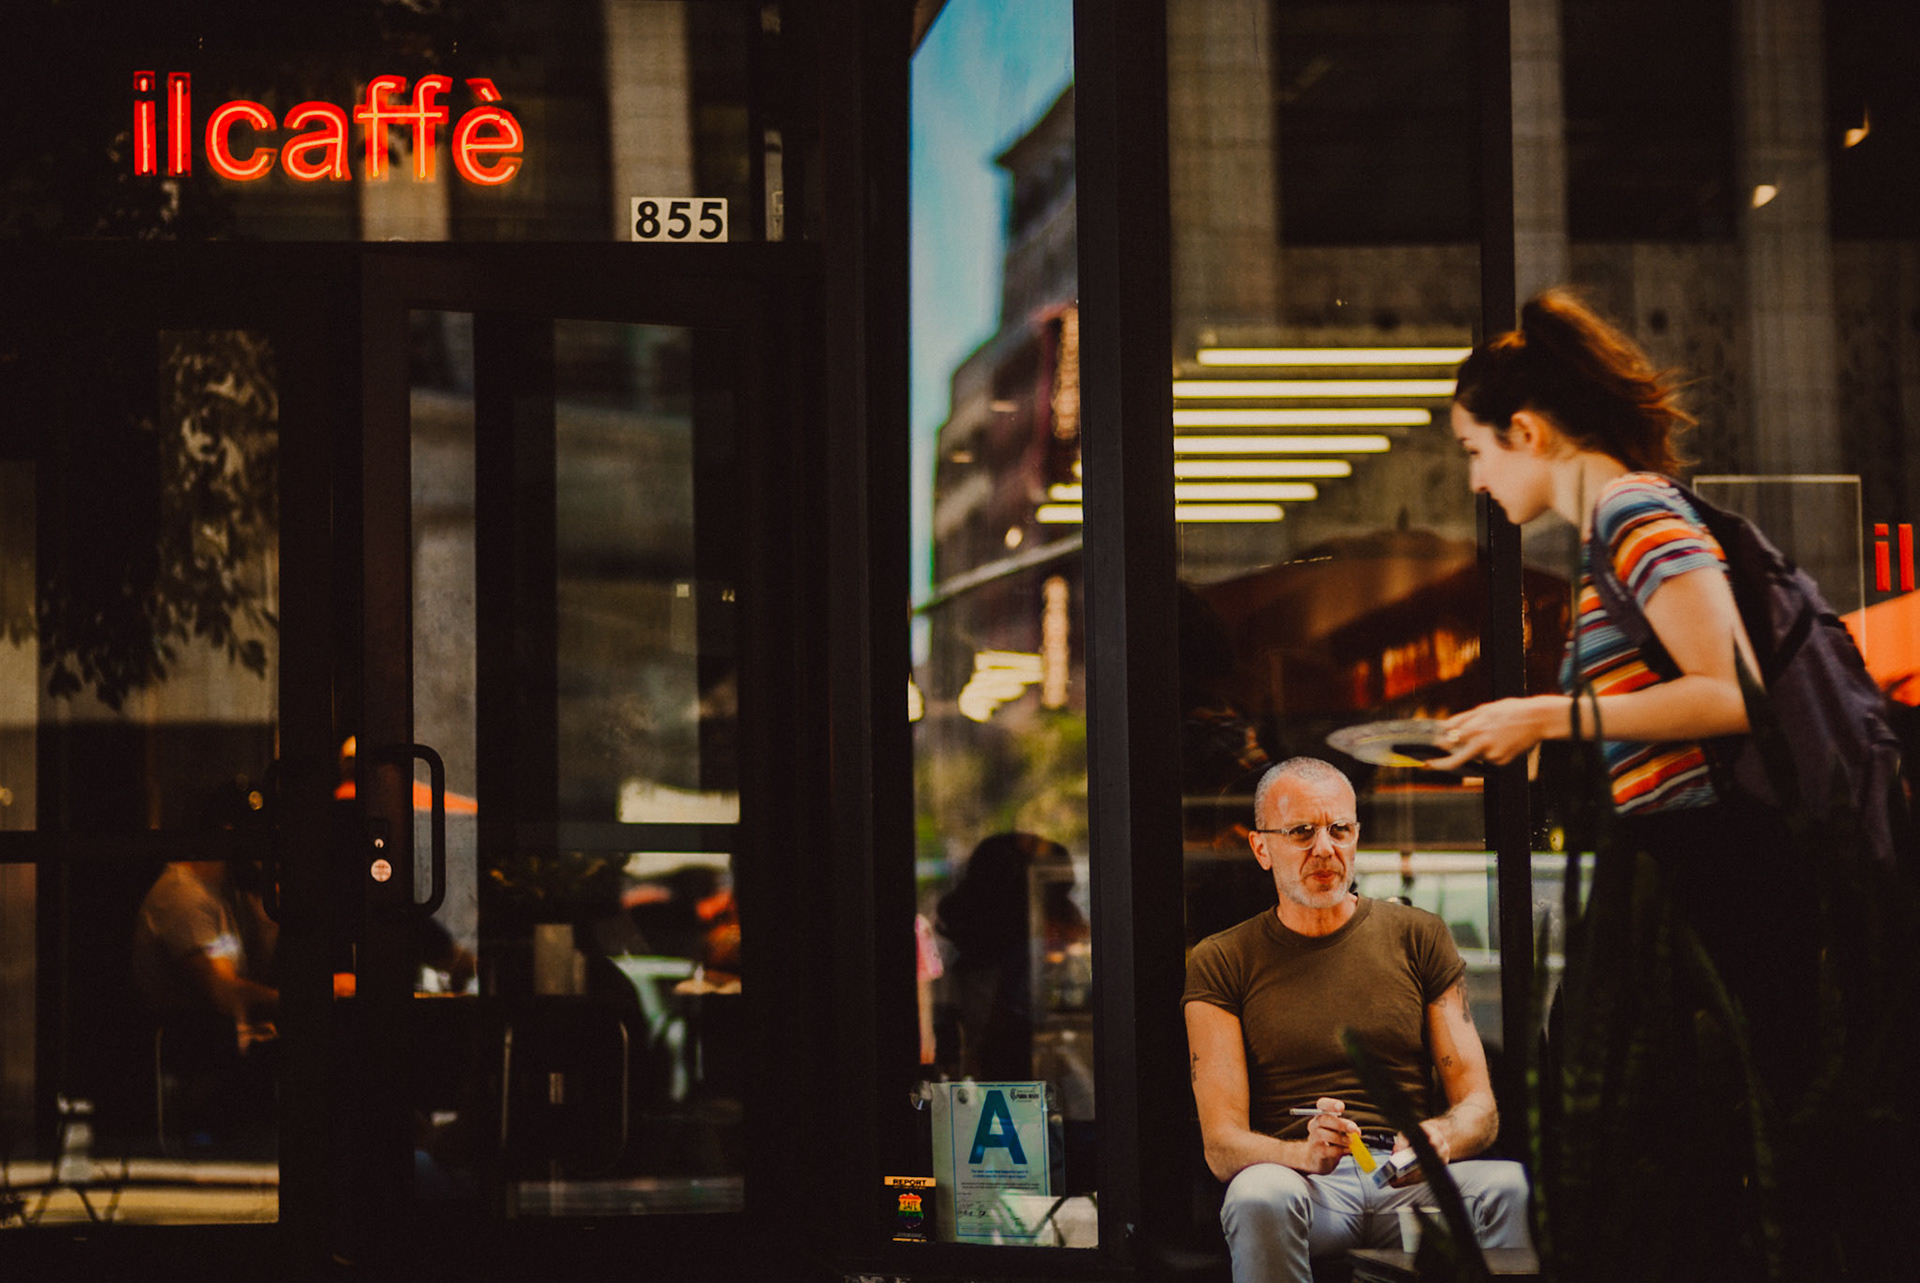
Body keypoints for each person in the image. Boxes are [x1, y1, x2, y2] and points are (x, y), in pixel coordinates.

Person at [1430, 287, 1811, 1096]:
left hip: (1707, 873)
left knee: (1621, 1117)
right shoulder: (1617, 527)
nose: (1475, 480)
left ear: (1526, 432)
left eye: (1474, 450)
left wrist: (1546, 715)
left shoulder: (1634, 513)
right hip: (1676, 869)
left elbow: (1731, 691)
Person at [1184, 758, 1530, 1283]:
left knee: (1507, 1186)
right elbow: (1222, 1145)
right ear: (1261, 848)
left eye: (1339, 829)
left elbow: (1480, 1107)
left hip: (1406, 1178)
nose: (1324, 849)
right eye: (1301, 832)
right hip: (1305, 1186)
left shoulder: (1419, 935)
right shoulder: (1223, 958)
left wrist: (1442, 1135)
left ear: (1356, 836)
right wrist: (1304, 1153)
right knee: (1257, 1193)